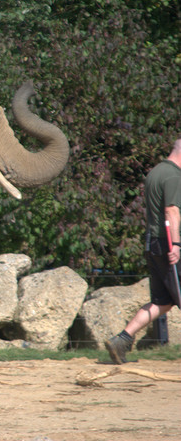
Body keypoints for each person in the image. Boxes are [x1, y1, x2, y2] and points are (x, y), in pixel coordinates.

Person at [105, 138, 181, 364]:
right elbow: (171, 212)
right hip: (167, 243)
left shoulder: (155, 172)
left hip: (152, 243)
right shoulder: (174, 176)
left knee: (162, 301)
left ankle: (122, 340)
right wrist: (176, 245)